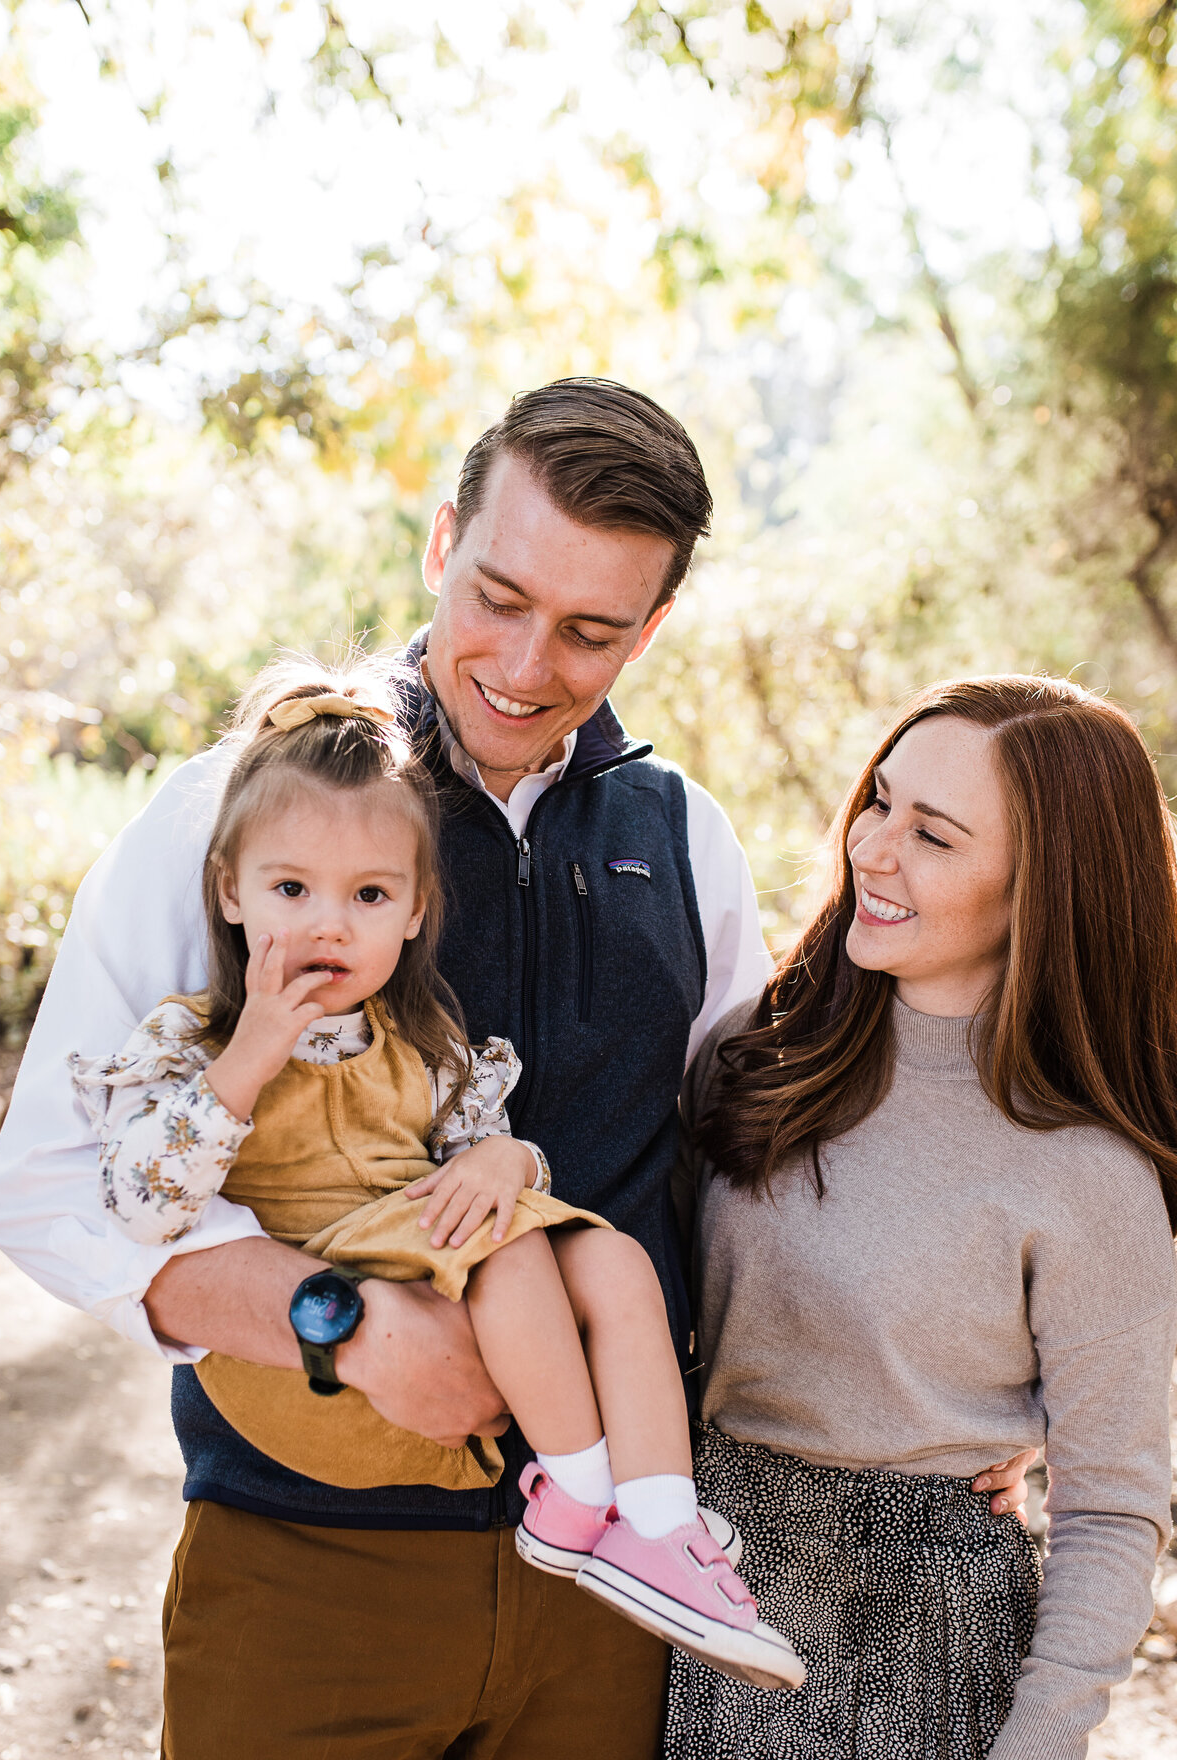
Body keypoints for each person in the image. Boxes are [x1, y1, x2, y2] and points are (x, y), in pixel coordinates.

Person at [0, 377, 1029, 1758]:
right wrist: (340, 1330)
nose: (528, 665)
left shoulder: (685, 836)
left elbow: (759, 1183)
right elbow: (53, 1187)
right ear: (439, 547)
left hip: (613, 1603)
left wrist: (954, 1401)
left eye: (592, 631)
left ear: (653, 630)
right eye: (498, 597)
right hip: (309, 1561)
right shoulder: (243, 813)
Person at [69, 655, 801, 1689]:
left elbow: (484, 1142)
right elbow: (135, 1203)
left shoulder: (426, 1038)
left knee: (616, 1266)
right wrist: (251, 1055)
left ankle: (656, 1523)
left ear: (417, 911)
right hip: (347, 1285)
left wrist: (512, 1152)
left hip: (425, 1232)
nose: (329, 923)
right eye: (291, 889)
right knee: (511, 1261)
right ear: (229, 890)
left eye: (370, 894)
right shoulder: (196, 1041)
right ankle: (579, 1499)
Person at [668, 675, 1177, 1760]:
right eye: (881, 801)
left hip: (933, 1641)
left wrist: (1038, 1742)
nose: (874, 848)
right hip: (708, 1589)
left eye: (934, 836)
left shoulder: (1092, 1173)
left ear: (1042, 889)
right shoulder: (752, 1055)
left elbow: (1111, 1513)